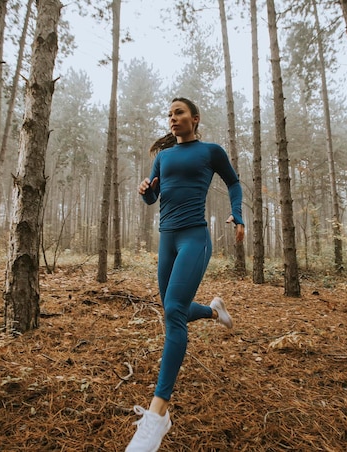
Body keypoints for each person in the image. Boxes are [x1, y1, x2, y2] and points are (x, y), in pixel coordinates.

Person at [126, 97, 244, 452]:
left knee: (174, 311)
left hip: (194, 237)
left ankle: (156, 416)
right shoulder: (163, 157)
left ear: (194, 118)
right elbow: (155, 198)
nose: (172, 118)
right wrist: (146, 192)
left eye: (178, 113)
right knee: (172, 308)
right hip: (168, 238)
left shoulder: (210, 151)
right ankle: (212, 311)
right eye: (169, 114)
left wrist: (237, 213)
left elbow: (234, 184)